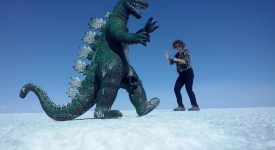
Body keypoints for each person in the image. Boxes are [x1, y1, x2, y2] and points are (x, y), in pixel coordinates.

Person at [163, 40, 200, 111]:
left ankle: (195, 106)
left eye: (178, 46)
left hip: (188, 72)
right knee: (176, 89)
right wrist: (166, 56)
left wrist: (177, 59)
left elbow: (186, 61)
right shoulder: (176, 55)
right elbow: (171, 62)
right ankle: (181, 106)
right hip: (181, 74)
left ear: (182, 45)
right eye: (175, 46)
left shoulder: (185, 51)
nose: (177, 47)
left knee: (189, 89)